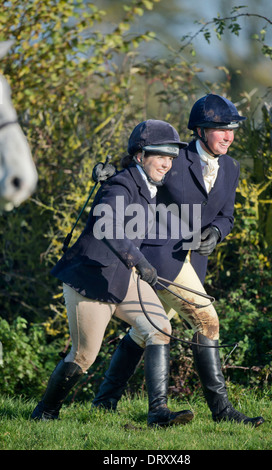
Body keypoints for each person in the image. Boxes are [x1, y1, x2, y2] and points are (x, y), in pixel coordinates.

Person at [92, 94, 265, 427]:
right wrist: (112, 173)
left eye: (231, 129)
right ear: (200, 131)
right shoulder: (175, 155)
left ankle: (104, 401)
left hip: (193, 263)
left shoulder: (231, 167)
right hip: (159, 255)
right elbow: (137, 171)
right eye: (220, 129)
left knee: (146, 332)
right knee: (207, 320)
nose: (228, 136)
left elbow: (227, 216)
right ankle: (223, 412)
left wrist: (215, 233)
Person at [31, 119, 194, 428]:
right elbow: (109, 227)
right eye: (160, 155)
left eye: (170, 157)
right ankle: (45, 412)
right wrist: (141, 262)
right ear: (139, 156)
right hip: (92, 280)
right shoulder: (120, 185)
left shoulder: (148, 188)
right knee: (83, 357)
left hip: (122, 276)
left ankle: (158, 414)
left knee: (159, 329)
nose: (167, 163)